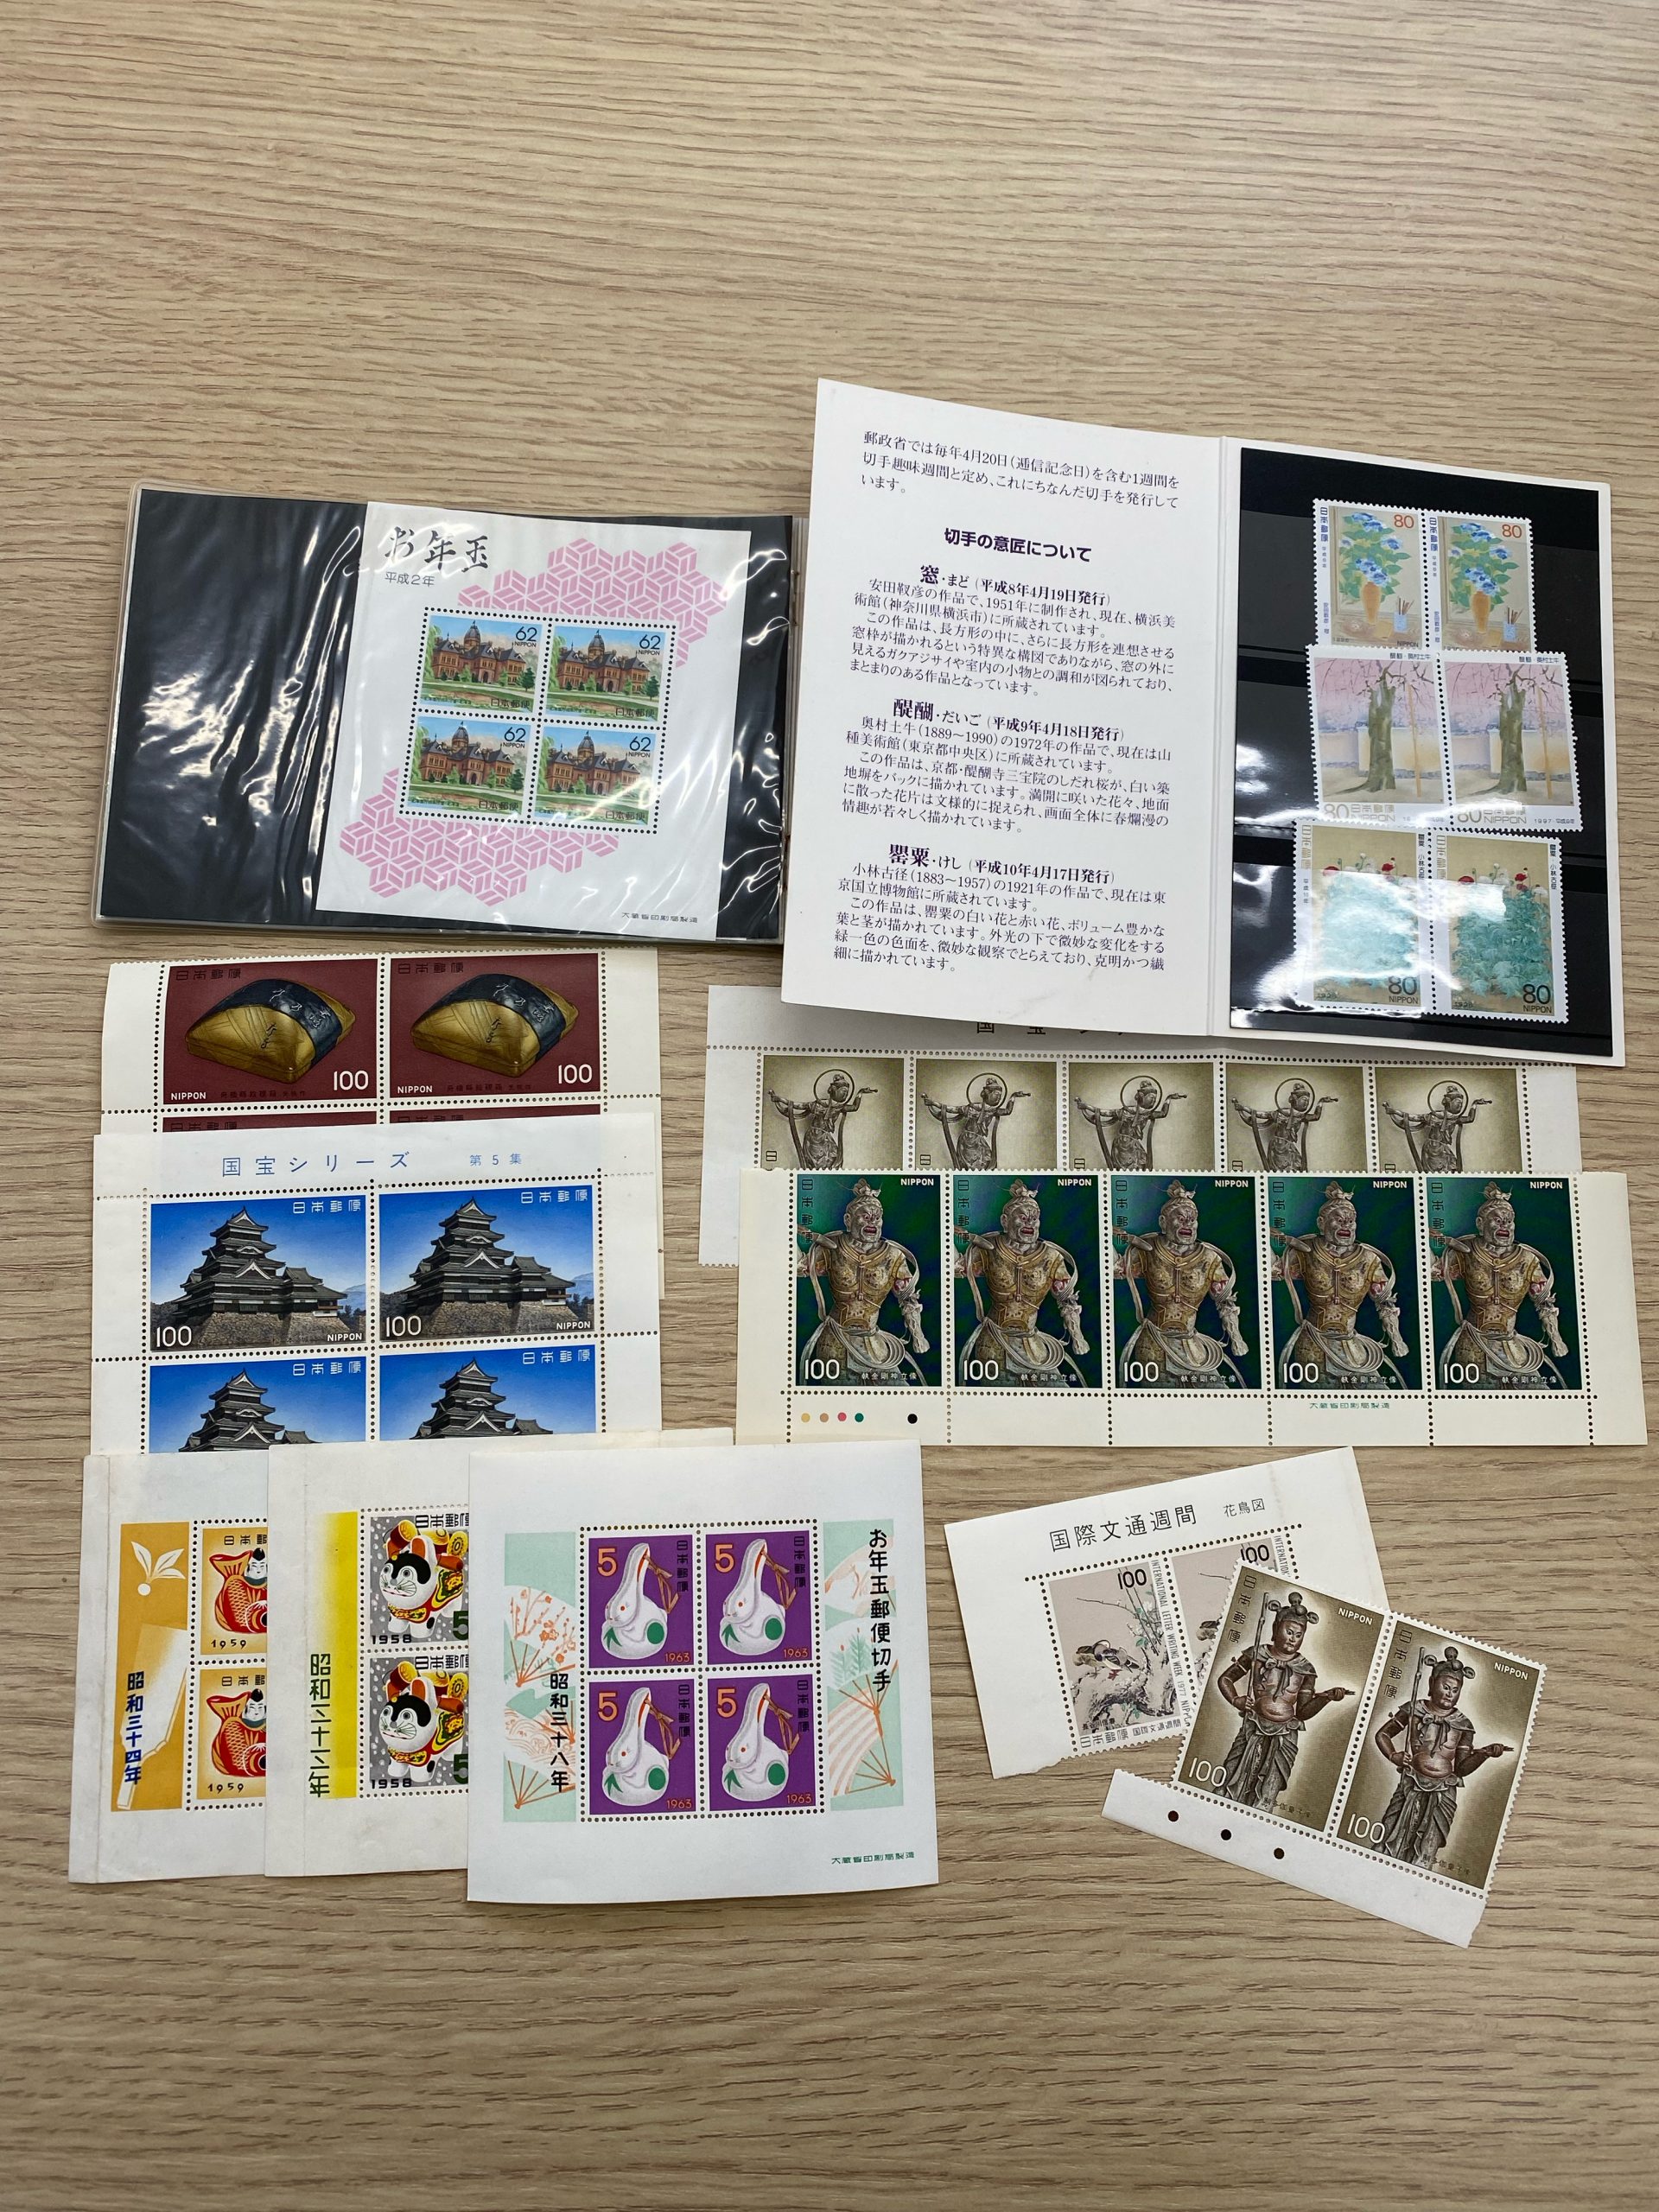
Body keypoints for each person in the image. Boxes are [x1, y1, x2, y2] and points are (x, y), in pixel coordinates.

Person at [1370, 1645, 1511, 1868]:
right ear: (1431, 1683)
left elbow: (1461, 1769)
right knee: (1390, 1838)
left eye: (1455, 1690)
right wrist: (1393, 1755)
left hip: (1443, 1794)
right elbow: (1383, 1734)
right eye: (1445, 1687)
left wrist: (1484, 1754)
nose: (1449, 1693)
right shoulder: (1414, 1709)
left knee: (1426, 1851)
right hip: (1411, 1784)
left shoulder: (1463, 1725)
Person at [1211, 1591, 1352, 1811]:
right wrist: (1236, 1699)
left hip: (1286, 1736)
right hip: (1253, 1727)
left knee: (1268, 1792)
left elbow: (1303, 1712)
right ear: (1275, 1628)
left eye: (1299, 1635)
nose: (1293, 1638)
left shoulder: (1306, 1669)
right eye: (1289, 1632)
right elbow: (1225, 1679)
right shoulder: (1257, 1655)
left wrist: (1325, 1698)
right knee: (1232, 1778)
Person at [1272, 1182, 1408, 1389]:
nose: (1346, 1225)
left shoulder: (1368, 1258)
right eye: (1339, 1220)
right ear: (1321, 1223)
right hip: (1313, 1343)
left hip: (1351, 1344)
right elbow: (1274, 1271)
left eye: (1351, 1221)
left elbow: (1385, 1303)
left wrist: (1396, 1339)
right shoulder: (1305, 1252)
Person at [1431, 1182, 1568, 1387]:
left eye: (1509, 1221)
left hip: (1511, 1344)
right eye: (1497, 1220)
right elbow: (1434, 1273)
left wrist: (1556, 1339)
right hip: (1473, 1344)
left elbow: (1544, 1303)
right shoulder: (1466, 1253)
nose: (1504, 1225)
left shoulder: (1527, 1259)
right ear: (1480, 1224)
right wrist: (1422, 1239)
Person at [1114, 1180, 1248, 1388]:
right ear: (1163, 1222)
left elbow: (1225, 1302)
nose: (1188, 1224)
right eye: (1181, 1219)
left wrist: (1236, 1338)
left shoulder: (1209, 1258)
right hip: (1154, 1342)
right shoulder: (1147, 1251)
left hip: (1191, 1344)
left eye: (1192, 1220)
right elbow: (1116, 1269)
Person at [956, 1180, 1088, 1385]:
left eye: (1034, 1219)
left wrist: (1077, 1336)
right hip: (994, 1343)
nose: (1030, 1224)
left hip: (1032, 1344)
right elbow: (957, 1268)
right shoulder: (988, 1250)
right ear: (1005, 1221)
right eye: (1023, 1218)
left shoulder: (1051, 1257)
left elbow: (1067, 1301)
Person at [797, 1179, 929, 1384]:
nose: (872, 1222)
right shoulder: (832, 1248)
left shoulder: (893, 1256)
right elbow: (800, 1267)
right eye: (865, 1217)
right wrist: (787, 1232)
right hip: (836, 1341)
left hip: (873, 1342)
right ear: (848, 1220)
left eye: (877, 1218)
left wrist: (918, 1335)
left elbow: (908, 1299)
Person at [766, 1068, 874, 1169]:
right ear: (834, 1090)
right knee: (817, 1163)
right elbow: (799, 1105)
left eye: (847, 1092)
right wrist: (781, 1100)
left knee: (835, 1158)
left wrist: (860, 1092)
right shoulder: (819, 1104)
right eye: (844, 1091)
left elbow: (854, 1107)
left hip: (825, 1137)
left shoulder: (839, 1107)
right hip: (814, 1137)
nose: (845, 1094)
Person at [921, 1073, 1028, 1170]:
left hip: (979, 1141)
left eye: (1000, 1096)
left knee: (989, 1161)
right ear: (987, 1094)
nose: (999, 1098)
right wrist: (934, 1104)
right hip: (967, 1141)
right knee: (973, 1166)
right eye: (996, 1095)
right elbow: (953, 1109)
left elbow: (1008, 1111)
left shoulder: (993, 1111)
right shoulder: (973, 1108)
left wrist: (1013, 1096)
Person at [1075, 1077, 1185, 1171]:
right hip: (1123, 1145)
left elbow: (1163, 1113)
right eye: (1151, 1098)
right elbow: (1106, 1112)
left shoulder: (1147, 1114)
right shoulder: (1127, 1111)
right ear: (1141, 1097)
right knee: (1130, 1168)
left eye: (1155, 1099)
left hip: (1134, 1144)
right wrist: (1087, 1107)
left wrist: (1169, 1098)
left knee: (1144, 1164)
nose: (1154, 1101)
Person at [1382, 1080, 1490, 1173]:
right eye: (1458, 1102)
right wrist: (1395, 1112)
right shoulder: (1434, 1116)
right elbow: (1414, 1117)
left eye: (1461, 1103)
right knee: (1439, 1172)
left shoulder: (1455, 1119)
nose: (1460, 1105)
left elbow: (1470, 1119)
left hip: (1443, 1149)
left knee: (1453, 1169)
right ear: (1449, 1102)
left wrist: (1474, 1104)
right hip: (1432, 1149)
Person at [1233, 1077, 1338, 1171]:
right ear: (1294, 1100)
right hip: (1278, 1146)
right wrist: (1243, 1109)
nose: (1306, 1103)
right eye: (1304, 1100)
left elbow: (1316, 1116)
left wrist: (1321, 1102)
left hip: (1289, 1146)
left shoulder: (1301, 1116)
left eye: (1307, 1101)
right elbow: (1262, 1114)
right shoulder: (1281, 1113)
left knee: (1299, 1167)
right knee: (1284, 1170)